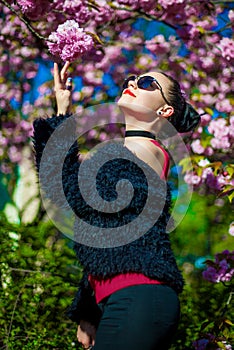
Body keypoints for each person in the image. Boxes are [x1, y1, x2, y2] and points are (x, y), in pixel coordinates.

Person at [32, 62, 200, 350]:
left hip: (139, 299)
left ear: (165, 111)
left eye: (147, 83)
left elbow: (70, 192)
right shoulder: (130, 153)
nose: (133, 83)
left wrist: (61, 119)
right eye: (132, 78)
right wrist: (88, 312)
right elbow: (105, 233)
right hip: (130, 301)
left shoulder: (145, 151)